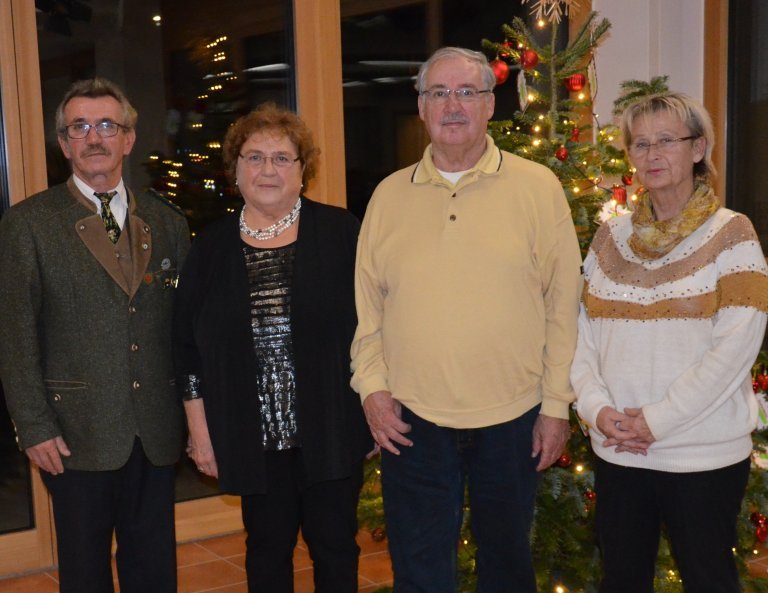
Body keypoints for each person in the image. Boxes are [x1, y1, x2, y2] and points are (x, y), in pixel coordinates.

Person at [350, 47, 583, 593]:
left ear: (489, 104)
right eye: (439, 93)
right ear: (422, 106)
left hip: (513, 419)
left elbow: (563, 305)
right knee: (420, 574)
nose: (453, 106)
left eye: (467, 93)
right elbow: (367, 311)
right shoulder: (388, 196)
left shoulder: (538, 188)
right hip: (412, 422)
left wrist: (555, 406)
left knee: (507, 570)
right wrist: (373, 390)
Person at [571, 91, 768, 593]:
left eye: (666, 141)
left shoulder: (733, 235)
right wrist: (596, 409)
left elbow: (735, 348)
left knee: (710, 580)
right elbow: (579, 333)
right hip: (619, 451)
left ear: (698, 149)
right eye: (640, 144)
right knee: (622, 581)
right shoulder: (608, 238)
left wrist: (657, 421)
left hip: (700, 456)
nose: (652, 155)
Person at [0, 78, 190, 593]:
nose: (94, 138)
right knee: (84, 573)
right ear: (64, 144)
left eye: (107, 125)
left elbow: (184, 331)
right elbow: (14, 335)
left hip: (154, 429)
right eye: (79, 127)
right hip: (73, 433)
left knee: (154, 569)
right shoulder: (28, 225)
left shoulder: (168, 222)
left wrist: (194, 414)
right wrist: (34, 426)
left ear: (129, 138)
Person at [172, 103, 372, 593]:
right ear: (235, 169)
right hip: (250, 436)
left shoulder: (342, 232)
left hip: (332, 426)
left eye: (283, 158)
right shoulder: (210, 249)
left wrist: (375, 407)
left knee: (336, 549)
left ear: (304, 171)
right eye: (254, 157)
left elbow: (376, 328)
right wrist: (200, 434)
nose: (267, 169)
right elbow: (186, 350)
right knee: (265, 552)